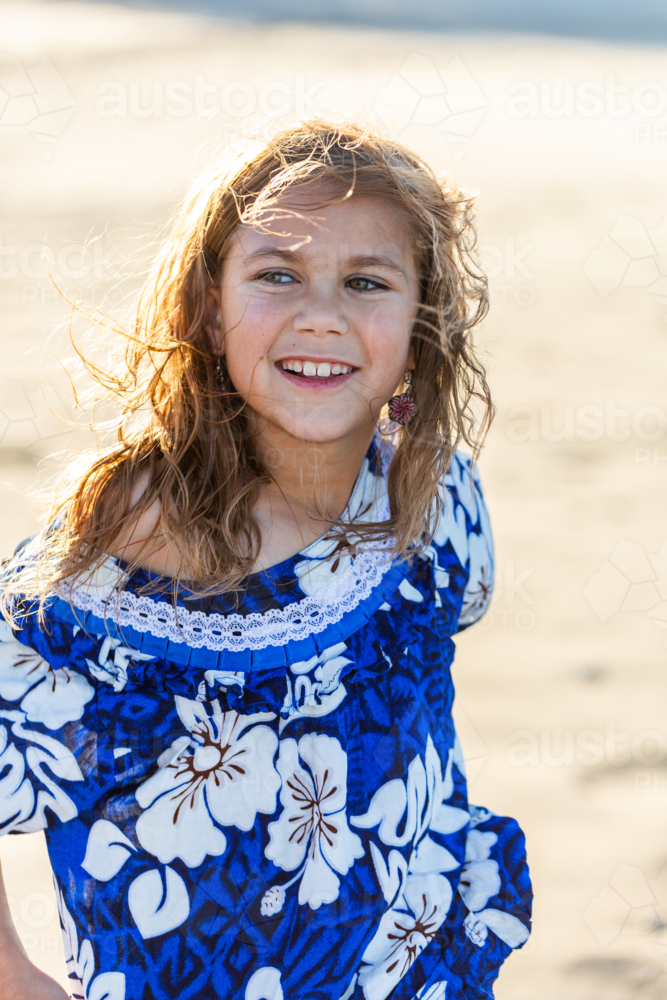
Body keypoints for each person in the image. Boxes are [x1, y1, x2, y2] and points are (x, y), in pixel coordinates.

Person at [0, 121, 531, 1000]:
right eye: (276, 274)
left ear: (420, 321)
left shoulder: (432, 500)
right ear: (210, 307)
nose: (320, 314)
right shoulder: (114, 566)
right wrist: (13, 977)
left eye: (366, 282)